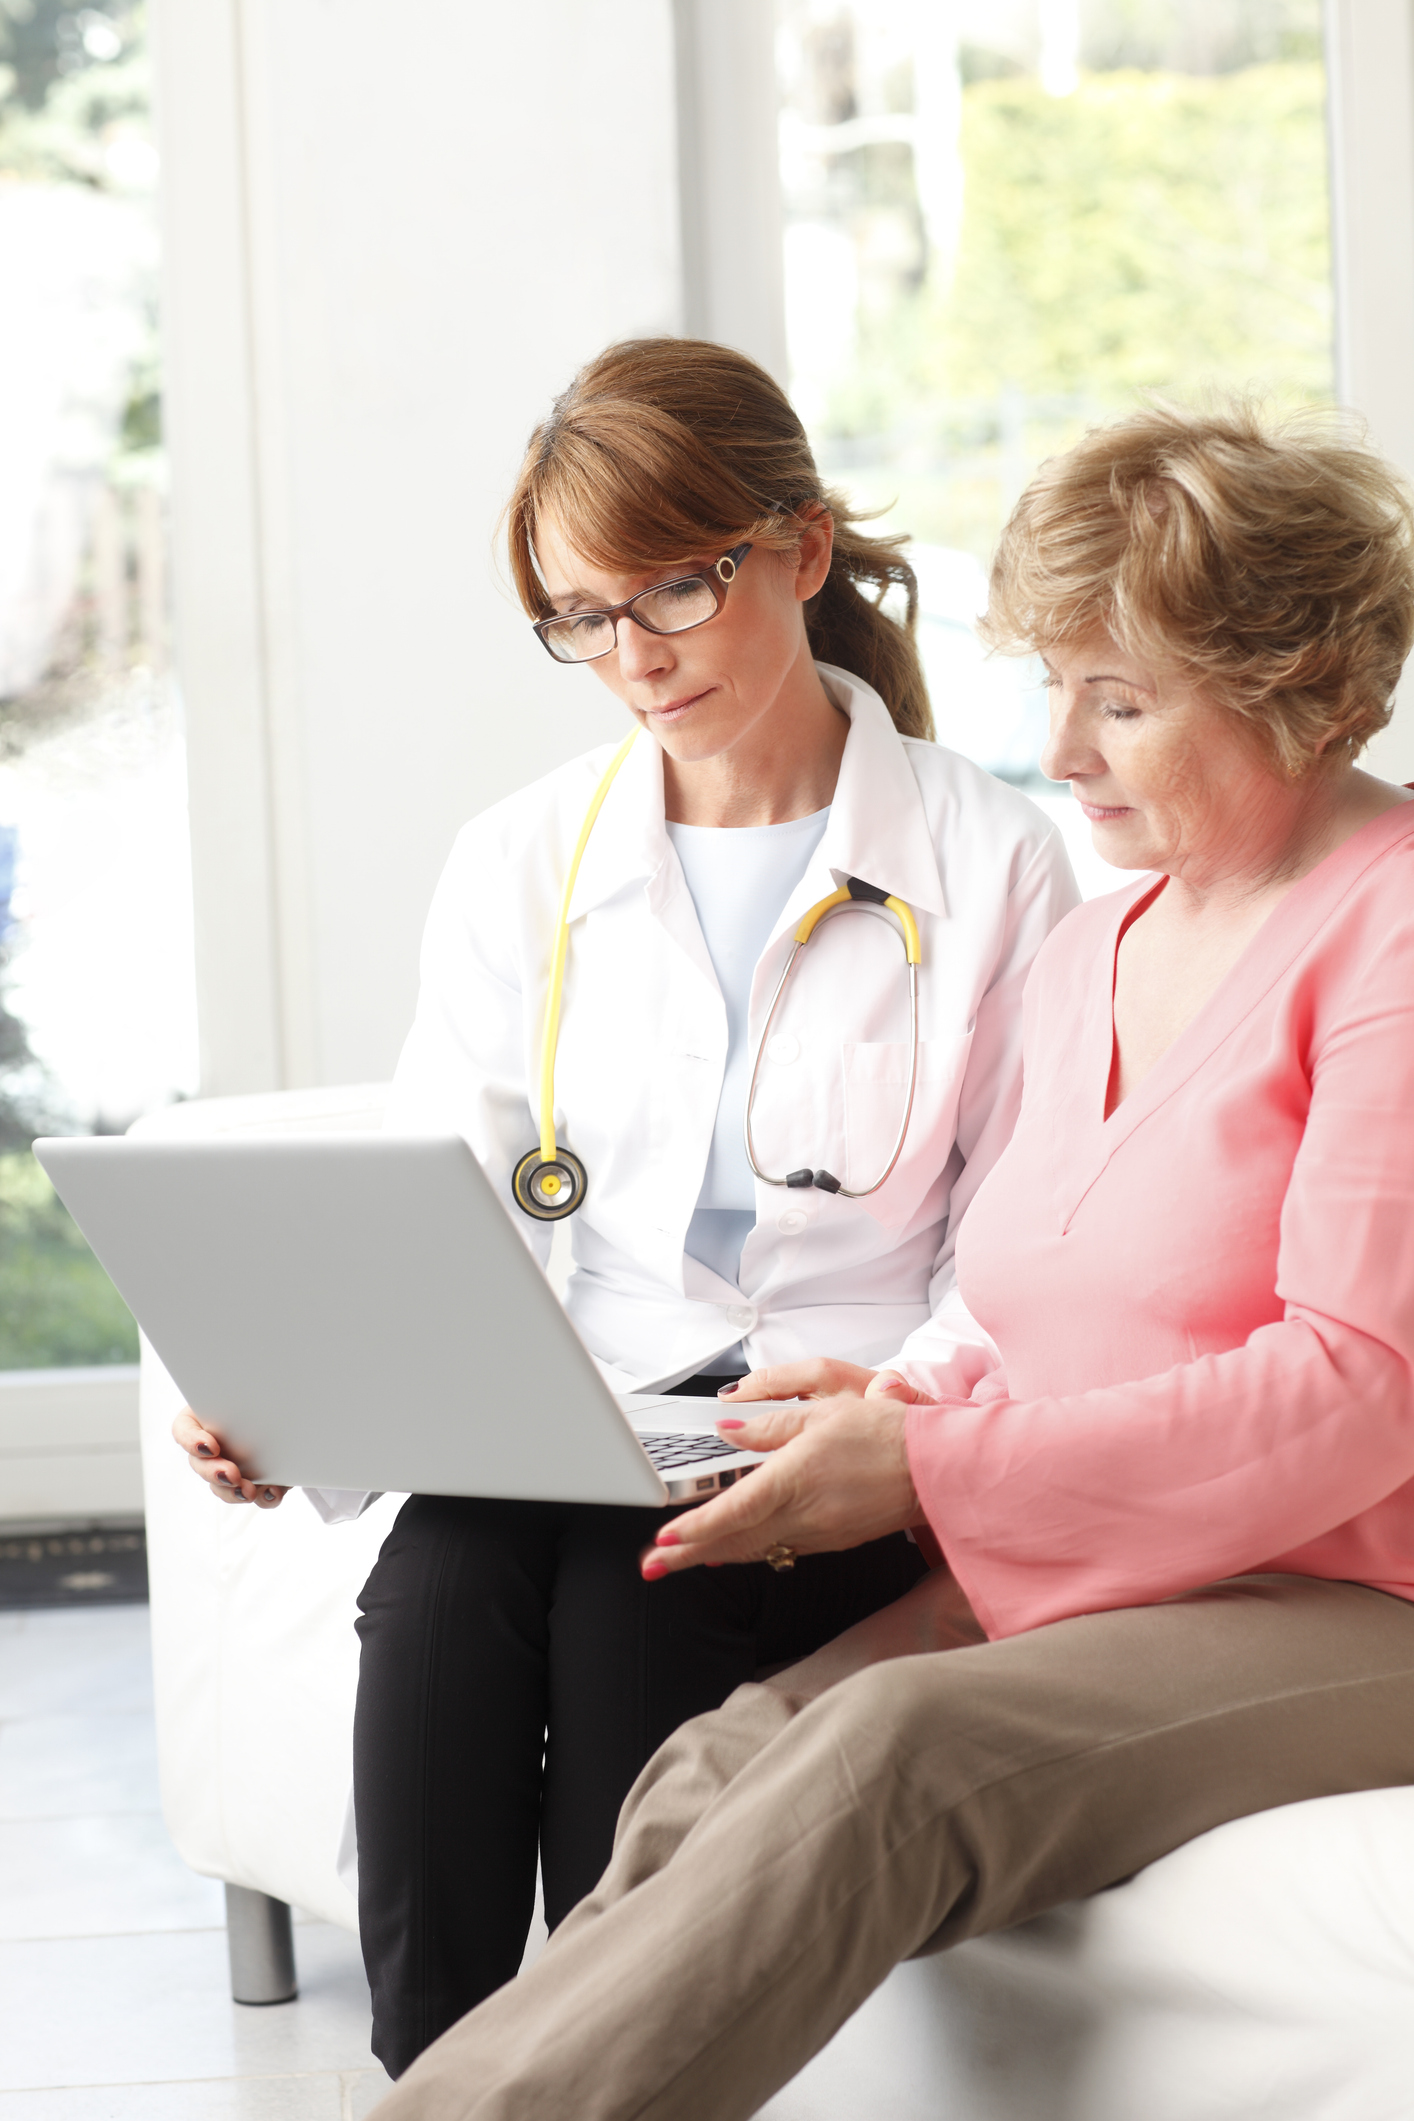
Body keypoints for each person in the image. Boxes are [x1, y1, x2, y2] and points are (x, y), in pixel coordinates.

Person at [363, 399, 1414, 2121]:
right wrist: (892, 1399)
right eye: (1052, 686)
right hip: (1112, 1563)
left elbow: (1358, 1390)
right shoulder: (1103, 943)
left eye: (1119, 700)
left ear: (1295, 684)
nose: (1059, 750)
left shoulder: (1386, 928)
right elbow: (1030, 1306)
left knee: (886, 1753)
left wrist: (930, 1465)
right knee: (710, 1763)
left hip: (1349, 1591)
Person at [170, 338, 1079, 2076]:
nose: (632, 656)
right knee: (438, 1583)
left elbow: (1017, 1246)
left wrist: (896, 1413)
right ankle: (439, 2086)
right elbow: (443, 1211)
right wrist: (304, 1410)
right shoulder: (526, 856)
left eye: (671, 586)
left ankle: (606, 2083)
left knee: (632, 1594)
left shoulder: (990, 859)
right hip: (588, 1403)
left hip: (835, 1420)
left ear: (799, 547)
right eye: (580, 616)